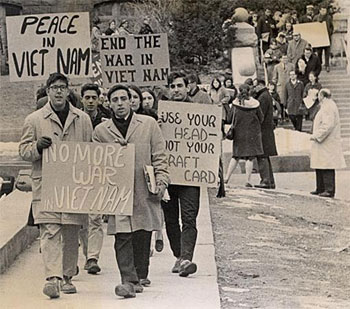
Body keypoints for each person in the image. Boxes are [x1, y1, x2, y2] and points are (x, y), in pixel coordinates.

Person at [19, 73, 93, 299]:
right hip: (47, 185)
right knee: (50, 230)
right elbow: (23, 151)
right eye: (54, 87)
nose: (59, 91)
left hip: (73, 185)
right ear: (48, 90)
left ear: (69, 91)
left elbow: (91, 151)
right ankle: (53, 278)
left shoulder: (82, 119)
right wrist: (37, 147)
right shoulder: (34, 119)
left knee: (71, 231)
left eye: (63, 87)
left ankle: (68, 275)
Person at [92, 84, 169, 298]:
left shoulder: (148, 124)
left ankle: (140, 273)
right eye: (114, 100)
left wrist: (161, 182)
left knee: (142, 234)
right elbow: (96, 164)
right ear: (109, 104)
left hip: (144, 189)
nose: (119, 104)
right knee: (123, 235)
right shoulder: (101, 131)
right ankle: (128, 279)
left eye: (123, 99)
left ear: (130, 101)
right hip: (118, 192)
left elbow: (160, 156)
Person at [161, 72, 201, 277]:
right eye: (172, 86)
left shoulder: (200, 113)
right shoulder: (161, 114)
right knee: (170, 219)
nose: (175, 90)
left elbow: (209, 145)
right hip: (167, 176)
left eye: (179, 85)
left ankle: (187, 258)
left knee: (189, 218)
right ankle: (178, 254)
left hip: (191, 175)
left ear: (187, 87)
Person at [79, 83, 107, 274]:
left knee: (95, 218)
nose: (90, 101)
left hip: (99, 173)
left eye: (93, 97)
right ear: (82, 99)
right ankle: (87, 252)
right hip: (79, 173)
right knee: (81, 219)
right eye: (87, 97)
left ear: (98, 99)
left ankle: (92, 257)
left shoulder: (107, 119)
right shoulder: (75, 118)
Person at [224, 84, 264, 187]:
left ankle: (227, 177)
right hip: (252, 133)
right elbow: (261, 118)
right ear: (249, 91)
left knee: (236, 156)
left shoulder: (236, 103)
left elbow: (229, 118)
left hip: (239, 133)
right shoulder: (255, 103)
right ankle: (248, 180)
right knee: (249, 157)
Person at [310, 89, 346, 197]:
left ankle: (328, 189)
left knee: (326, 165)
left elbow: (327, 125)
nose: (318, 98)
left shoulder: (328, 107)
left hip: (326, 142)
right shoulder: (327, 105)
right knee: (320, 164)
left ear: (323, 96)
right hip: (324, 142)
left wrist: (317, 136)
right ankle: (320, 187)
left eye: (319, 96)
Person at [254, 80, 278, 189]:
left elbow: (260, 114)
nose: (254, 88)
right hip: (267, 130)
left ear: (260, 85)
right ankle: (270, 181)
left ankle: (265, 180)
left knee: (262, 155)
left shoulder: (262, 97)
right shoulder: (266, 95)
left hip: (262, 130)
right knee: (265, 156)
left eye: (256, 86)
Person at [272, 55, 294, 122]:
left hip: (288, 86)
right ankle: (281, 116)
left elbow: (293, 75)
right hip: (280, 86)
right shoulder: (277, 67)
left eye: (286, 58)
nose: (285, 59)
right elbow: (274, 77)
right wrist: (275, 84)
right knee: (281, 101)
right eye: (283, 58)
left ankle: (287, 116)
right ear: (281, 59)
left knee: (288, 101)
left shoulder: (291, 66)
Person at [313, 5, 333, 72]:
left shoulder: (329, 17)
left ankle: (327, 65)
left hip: (327, 37)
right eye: (322, 10)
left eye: (325, 10)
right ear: (320, 10)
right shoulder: (316, 17)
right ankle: (319, 65)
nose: (324, 12)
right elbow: (313, 27)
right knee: (319, 52)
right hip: (319, 38)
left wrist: (329, 32)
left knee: (327, 52)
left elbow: (331, 27)